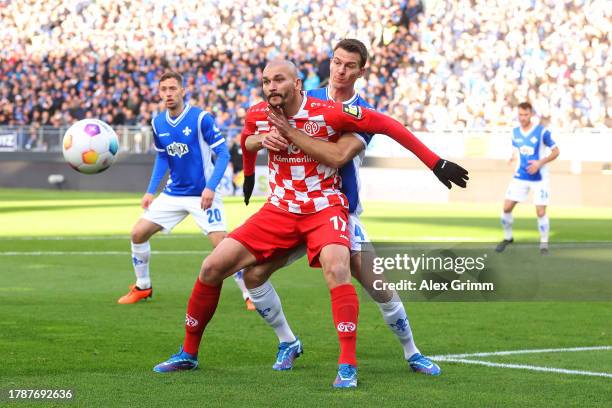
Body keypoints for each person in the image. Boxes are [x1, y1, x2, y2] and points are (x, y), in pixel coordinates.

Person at [153, 60, 467, 388]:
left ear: (298, 83)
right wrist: (250, 169)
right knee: (213, 267)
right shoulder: (259, 112)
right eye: (266, 81)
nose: (271, 86)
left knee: (344, 271)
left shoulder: (331, 111)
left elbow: (386, 126)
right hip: (280, 211)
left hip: (325, 208)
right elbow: (247, 138)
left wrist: (435, 163)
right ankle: (190, 352)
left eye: (278, 80)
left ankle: (351, 364)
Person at [241, 39, 458, 376]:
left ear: (361, 71)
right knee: (253, 275)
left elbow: (338, 156)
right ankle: (288, 342)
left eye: (349, 66)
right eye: (337, 63)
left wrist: (434, 162)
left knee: (378, 286)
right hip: (292, 210)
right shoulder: (301, 97)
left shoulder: (359, 113)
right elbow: (255, 131)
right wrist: (253, 159)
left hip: (336, 212)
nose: (341, 71)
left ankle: (412, 352)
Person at [117, 71, 253, 310]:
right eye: (164, 90)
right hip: (173, 194)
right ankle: (143, 285)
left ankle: (250, 294)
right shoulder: (158, 122)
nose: (168, 94)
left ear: (182, 91)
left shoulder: (201, 119)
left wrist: (211, 188)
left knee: (223, 245)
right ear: (159, 93)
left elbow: (221, 154)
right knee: (138, 233)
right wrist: (151, 191)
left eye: (172, 88)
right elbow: (162, 158)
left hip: (203, 193)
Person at [496, 102, 560, 254]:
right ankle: (508, 237)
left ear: (531, 115)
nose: (523, 117)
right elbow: (516, 150)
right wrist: (512, 158)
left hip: (539, 178)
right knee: (506, 207)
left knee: (540, 212)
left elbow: (556, 151)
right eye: (520, 115)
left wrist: (540, 162)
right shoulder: (515, 133)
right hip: (521, 176)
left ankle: (544, 243)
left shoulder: (542, 132)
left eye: (526, 114)